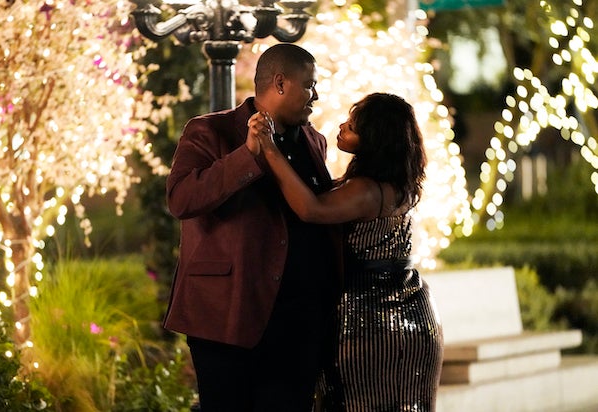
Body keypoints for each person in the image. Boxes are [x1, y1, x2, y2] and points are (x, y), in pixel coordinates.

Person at [163, 43, 342, 412]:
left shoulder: (315, 141)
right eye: (310, 85)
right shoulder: (209, 130)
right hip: (227, 318)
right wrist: (247, 155)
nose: (316, 95)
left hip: (298, 324)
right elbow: (182, 200)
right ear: (280, 83)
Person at [250, 92, 444, 411]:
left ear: (374, 139)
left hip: (371, 320)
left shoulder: (366, 190)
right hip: (413, 313)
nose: (342, 127)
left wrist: (269, 148)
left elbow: (311, 209)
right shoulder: (400, 182)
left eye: (352, 126)